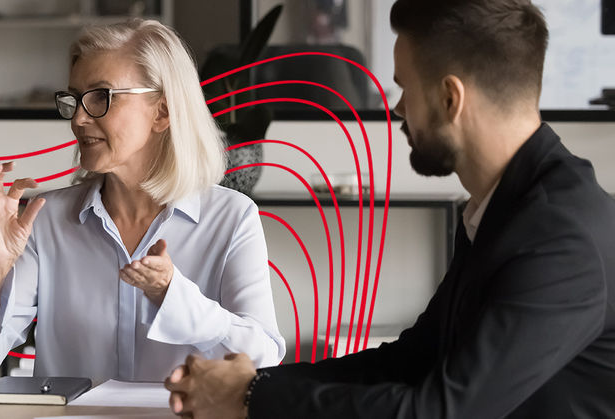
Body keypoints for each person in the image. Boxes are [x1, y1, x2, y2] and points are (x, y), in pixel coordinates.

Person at [164, 0, 615, 417]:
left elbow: (442, 411)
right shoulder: (505, 206)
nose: (398, 109)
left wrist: (249, 396)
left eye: (403, 88)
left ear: (450, 98)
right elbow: (417, 357)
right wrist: (250, 382)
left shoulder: (560, 238)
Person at [0, 19, 285, 384]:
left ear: (163, 112)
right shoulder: (46, 219)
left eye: (101, 97)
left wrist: (174, 296)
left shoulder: (231, 218)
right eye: (74, 98)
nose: (78, 118)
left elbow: (261, 357)